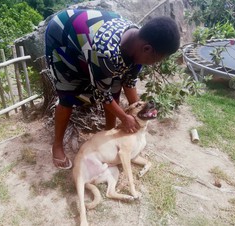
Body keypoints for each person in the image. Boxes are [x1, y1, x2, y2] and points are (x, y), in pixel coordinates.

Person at [45, 8, 180, 169]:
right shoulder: (105, 52)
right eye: (157, 60)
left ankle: (109, 134)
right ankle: (57, 145)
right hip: (63, 36)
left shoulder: (137, 46)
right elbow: (103, 95)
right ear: (147, 49)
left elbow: (128, 82)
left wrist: (139, 112)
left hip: (90, 45)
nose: (155, 64)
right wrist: (124, 118)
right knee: (68, 94)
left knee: (113, 91)